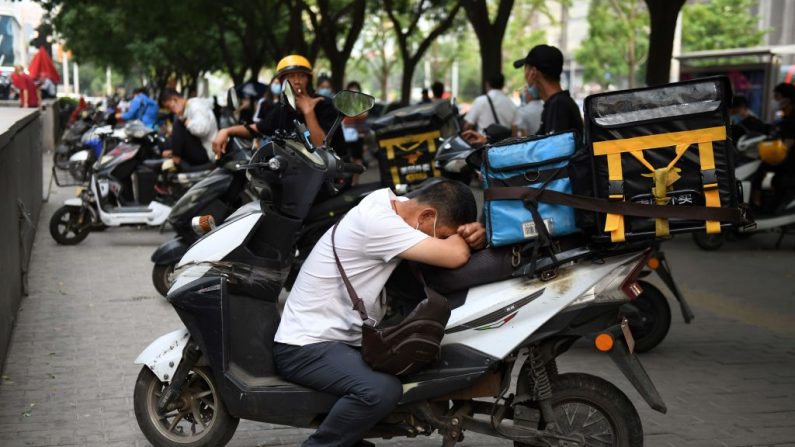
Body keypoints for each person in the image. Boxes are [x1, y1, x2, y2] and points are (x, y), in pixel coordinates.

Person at [273, 180, 485, 447]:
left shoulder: (386, 204)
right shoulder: (378, 223)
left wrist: (462, 234)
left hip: (339, 342)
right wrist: (463, 237)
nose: (440, 241)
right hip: (304, 346)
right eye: (441, 234)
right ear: (427, 216)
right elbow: (454, 255)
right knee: (380, 391)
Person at [213, 54, 344, 155]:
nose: (297, 81)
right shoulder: (283, 107)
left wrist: (308, 112)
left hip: (331, 175)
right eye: (291, 76)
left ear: (308, 80)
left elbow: (320, 147)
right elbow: (257, 128)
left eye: (301, 76)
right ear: (282, 81)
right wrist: (226, 131)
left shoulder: (324, 104)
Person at [513, 44, 582, 136]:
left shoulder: (558, 105)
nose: (525, 75)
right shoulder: (556, 103)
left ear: (533, 72)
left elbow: (556, 148)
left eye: (526, 69)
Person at [159, 89, 217, 168]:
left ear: (174, 100)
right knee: (163, 141)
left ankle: (176, 157)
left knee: (178, 124)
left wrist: (186, 122)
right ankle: (174, 154)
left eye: (169, 107)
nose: (171, 110)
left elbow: (203, 130)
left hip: (207, 152)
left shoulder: (196, 106)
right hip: (198, 146)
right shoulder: (186, 109)